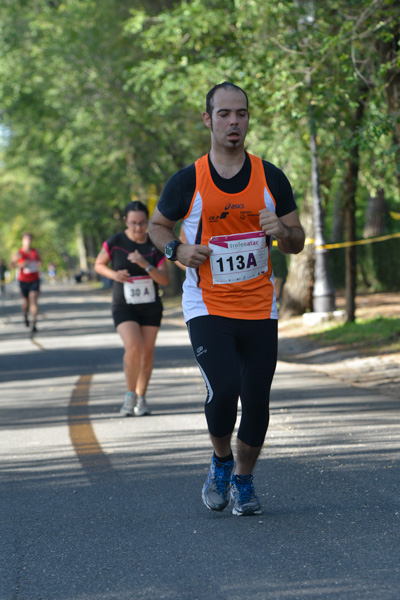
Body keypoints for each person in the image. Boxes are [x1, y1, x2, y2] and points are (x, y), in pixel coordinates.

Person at [149, 82, 305, 516]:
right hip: (207, 303)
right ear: (208, 120)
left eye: (241, 113)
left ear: (248, 118)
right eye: (224, 114)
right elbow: (158, 226)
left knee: (256, 398)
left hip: (258, 304)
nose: (234, 122)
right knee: (225, 390)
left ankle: (244, 479)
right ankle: (220, 461)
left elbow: (298, 240)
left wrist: (284, 233)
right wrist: (177, 251)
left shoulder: (270, 177)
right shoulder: (189, 180)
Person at [95, 200, 169, 417]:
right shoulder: (116, 242)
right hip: (123, 305)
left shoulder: (155, 243)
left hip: (150, 306)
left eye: (142, 223)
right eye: (134, 223)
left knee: (147, 351)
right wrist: (114, 275)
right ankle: (130, 395)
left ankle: (141, 396)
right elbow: (99, 265)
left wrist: (144, 264)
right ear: (126, 221)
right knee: (134, 346)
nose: (138, 228)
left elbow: (164, 279)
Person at [10, 233, 42, 333]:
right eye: (26, 239)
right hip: (23, 280)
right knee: (26, 302)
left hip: (34, 279)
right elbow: (11, 265)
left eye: (30, 239)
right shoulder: (19, 253)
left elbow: (40, 262)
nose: (28, 241)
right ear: (22, 241)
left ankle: (34, 322)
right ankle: (25, 315)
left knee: (33, 299)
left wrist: (38, 264)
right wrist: (20, 264)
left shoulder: (35, 251)